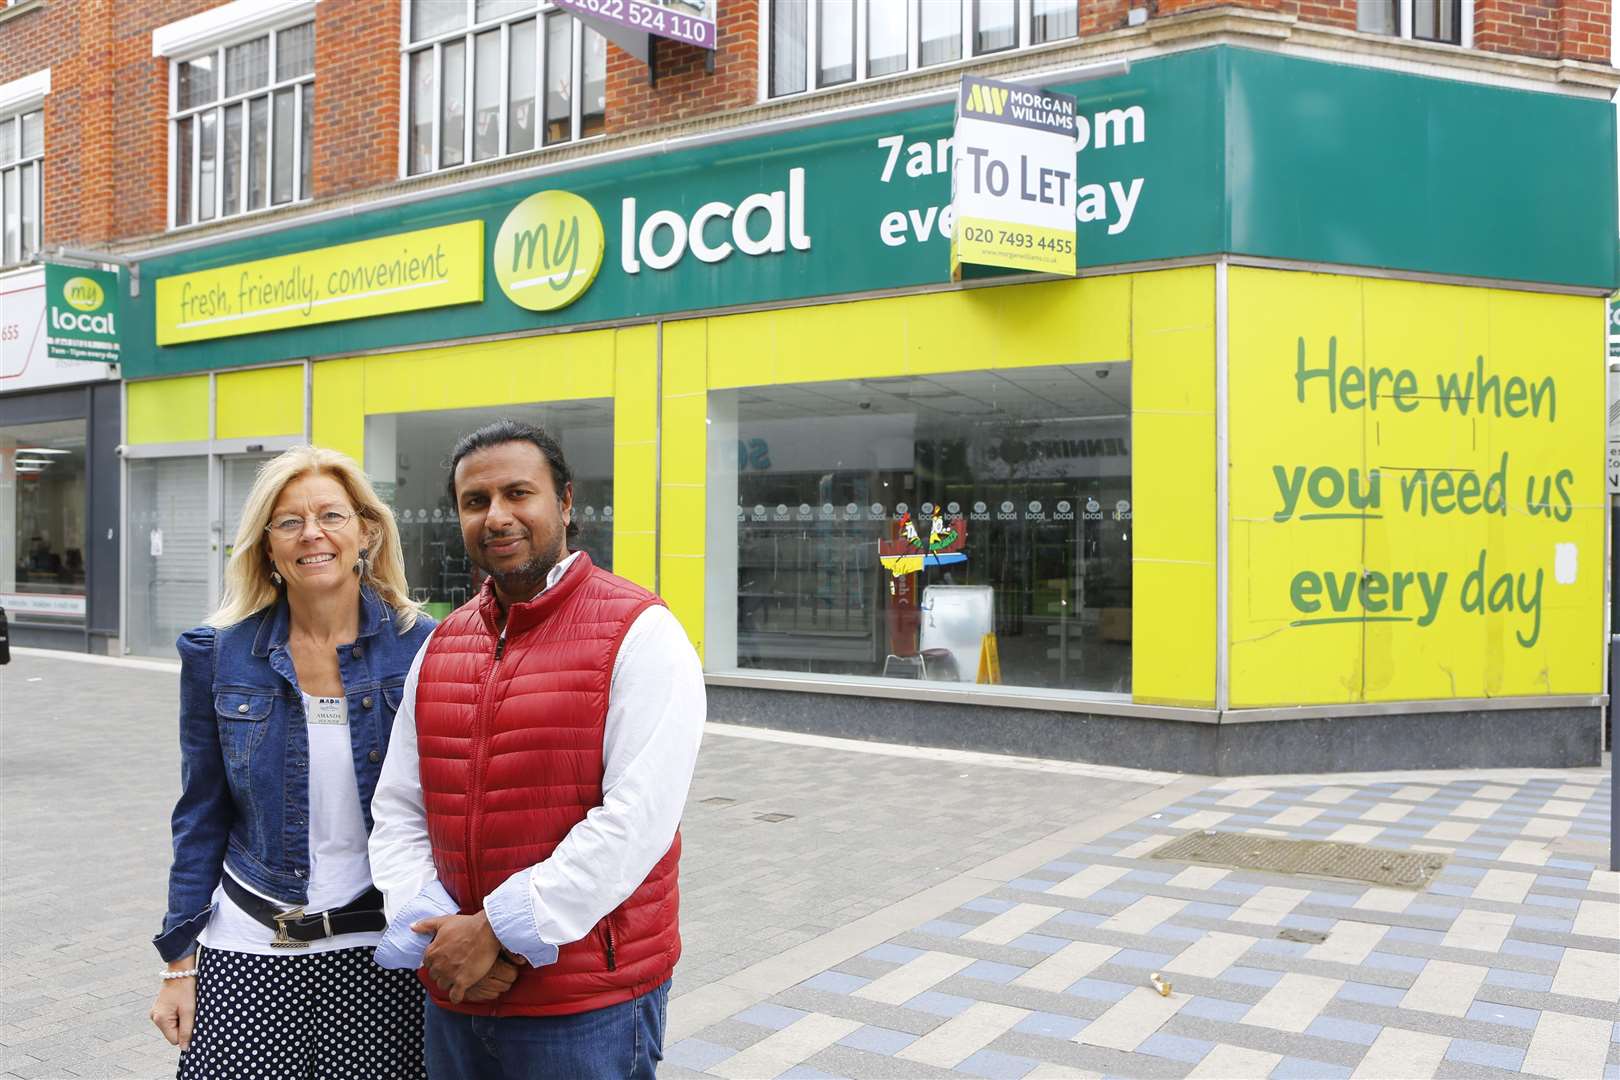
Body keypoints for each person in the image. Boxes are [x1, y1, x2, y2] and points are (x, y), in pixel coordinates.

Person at [369, 419, 705, 1079]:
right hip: (460, 989)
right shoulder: (442, 643)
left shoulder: (641, 632)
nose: (496, 516)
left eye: (518, 493)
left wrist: (496, 929)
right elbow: (401, 804)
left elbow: (637, 820)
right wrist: (439, 928)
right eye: (475, 501)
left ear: (566, 503)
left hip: (584, 1007)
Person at [149, 446, 445, 1079]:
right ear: (267, 546)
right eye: (288, 521)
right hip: (250, 943)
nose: (312, 533)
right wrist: (179, 962)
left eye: (330, 515)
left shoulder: (423, 647)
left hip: (383, 946)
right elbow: (200, 812)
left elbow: (449, 807)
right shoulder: (218, 655)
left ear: (366, 530)